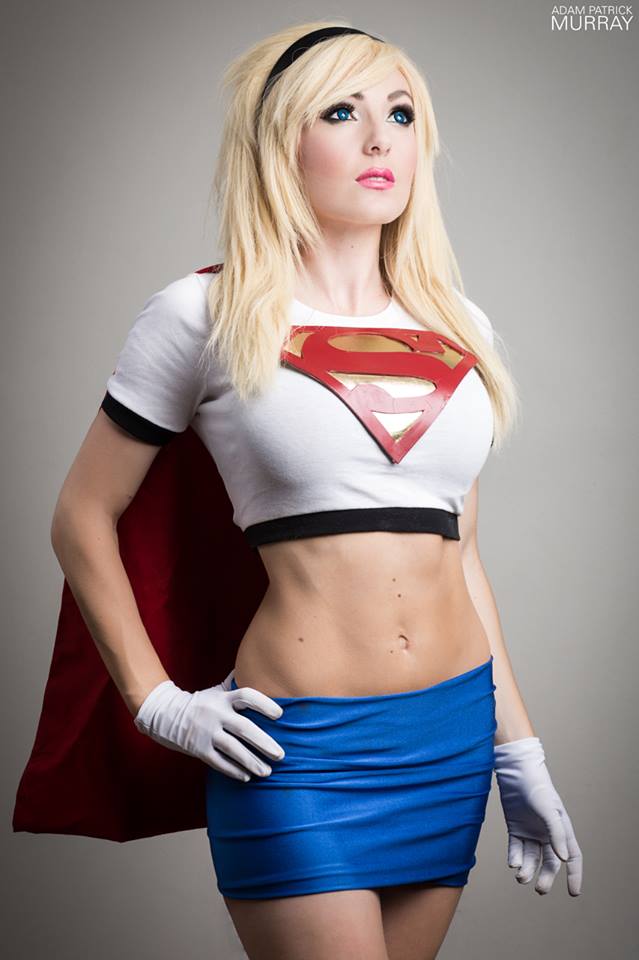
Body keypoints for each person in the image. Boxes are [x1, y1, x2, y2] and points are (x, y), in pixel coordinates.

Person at [16, 20, 583, 960]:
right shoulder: (205, 313)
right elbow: (82, 516)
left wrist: (516, 748)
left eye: (400, 114)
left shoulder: (459, 327)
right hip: (300, 747)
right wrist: (157, 701)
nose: (380, 139)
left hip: (448, 736)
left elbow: (460, 555)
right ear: (282, 141)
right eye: (342, 112)